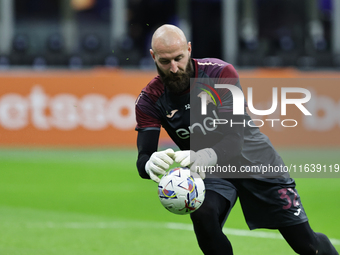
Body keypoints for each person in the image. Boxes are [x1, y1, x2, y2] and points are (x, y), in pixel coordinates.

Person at [135, 24, 338, 255]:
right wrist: (149, 165)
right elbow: (144, 157)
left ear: (189, 49)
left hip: (256, 160)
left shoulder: (220, 73)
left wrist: (203, 155)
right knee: (202, 213)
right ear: (152, 56)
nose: (174, 68)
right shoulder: (149, 100)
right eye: (164, 61)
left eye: (179, 58)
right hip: (212, 172)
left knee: (307, 245)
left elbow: (234, 139)